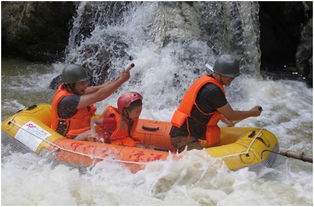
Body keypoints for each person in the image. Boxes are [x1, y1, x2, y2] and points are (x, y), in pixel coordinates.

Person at [169, 54, 262, 152]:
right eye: (229, 77)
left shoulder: (209, 82)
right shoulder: (213, 91)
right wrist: (252, 113)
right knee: (211, 162)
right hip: (184, 139)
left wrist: (225, 120)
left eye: (233, 77)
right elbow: (232, 115)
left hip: (186, 135)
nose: (232, 79)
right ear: (218, 74)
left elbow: (206, 109)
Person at [51, 64, 132, 141]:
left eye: (86, 81)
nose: (85, 85)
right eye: (82, 83)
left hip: (83, 130)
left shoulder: (75, 90)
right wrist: (121, 81)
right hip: (68, 137)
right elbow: (99, 96)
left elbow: (99, 88)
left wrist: (120, 77)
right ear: (70, 85)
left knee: (110, 114)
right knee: (92, 134)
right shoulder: (68, 101)